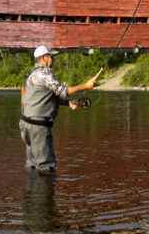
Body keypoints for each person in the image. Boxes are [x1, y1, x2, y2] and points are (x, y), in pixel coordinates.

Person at [19, 45, 102, 173]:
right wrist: (86, 86)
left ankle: (31, 191)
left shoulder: (31, 74)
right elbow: (63, 91)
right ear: (44, 58)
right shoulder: (44, 74)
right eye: (51, 56)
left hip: (25, 124)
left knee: (32, 164)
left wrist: (68, 103)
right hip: (38, 127)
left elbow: (42, 95)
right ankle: (44, 192)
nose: (54, 59)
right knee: (46, 167)